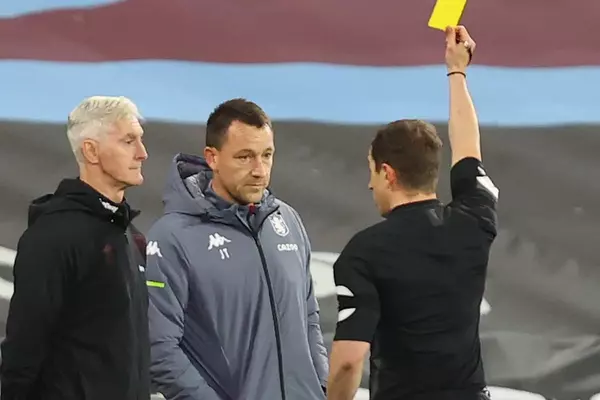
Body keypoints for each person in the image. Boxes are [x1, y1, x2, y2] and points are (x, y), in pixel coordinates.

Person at [326, 26, 498, 400]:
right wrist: (457, 71)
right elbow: (469, 149)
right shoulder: (475, 221)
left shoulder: (363, 253)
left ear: (387, 173)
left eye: (372, 171)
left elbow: (348, 363)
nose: (370, 184)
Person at [145, 98, 328, 400]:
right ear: (212, 158)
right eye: (245, 157)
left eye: (267, 155)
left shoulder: (287, 220)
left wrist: (320, 386)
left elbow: (308, 315)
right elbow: (160, 347)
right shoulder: (172, 236)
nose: (259, 170)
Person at [0, 96, 151, 400]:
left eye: (140, 139)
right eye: (128, 141)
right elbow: (24, 346)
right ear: (91, 151)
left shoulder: (130, 236)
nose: (142, 153)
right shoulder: (53, 237)